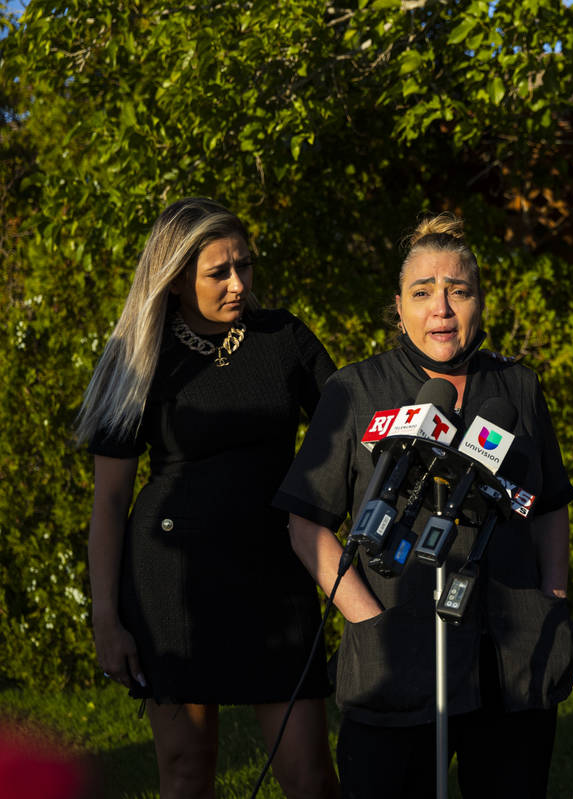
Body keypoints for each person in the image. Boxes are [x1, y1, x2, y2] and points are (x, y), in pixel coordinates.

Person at [275, 213, 573, 798]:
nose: (441, 309)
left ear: (479, 301)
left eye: (457, 291)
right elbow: (305, 521)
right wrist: (370, 620)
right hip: (397, 662)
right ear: (398, 307)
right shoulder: (355, 391)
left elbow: (549, 506)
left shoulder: (518, 386)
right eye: (422, 293)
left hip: (511, 661)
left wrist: (553, 598)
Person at [76, 198, 339, 798]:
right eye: (219, 272)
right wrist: (105, 619)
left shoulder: (284, 337)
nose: (239, 283)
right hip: (172, 582)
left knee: (310, 775)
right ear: (174, 280)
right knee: (187, 771)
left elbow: (352, 430)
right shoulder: (138, 358)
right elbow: (109, 504)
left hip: (275, 574)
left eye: (244, 265)